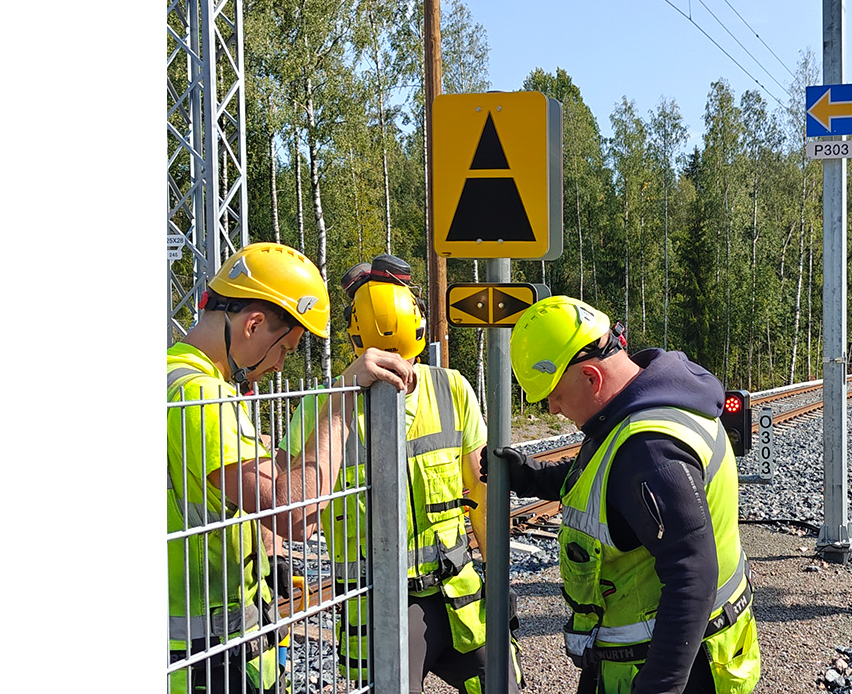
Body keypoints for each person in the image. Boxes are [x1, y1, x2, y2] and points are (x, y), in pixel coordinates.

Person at [167, 242, 414, 694]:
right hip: (203, 659)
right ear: (253, 324)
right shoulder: (200, 394)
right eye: (285, 348)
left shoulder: (176, 376)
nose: (280, 365)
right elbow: (295, 513)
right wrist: (340, 403)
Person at [486, 296, 760, 694]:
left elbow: (692, 577)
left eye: (556, 394)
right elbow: (608, 483)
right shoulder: (647, 405)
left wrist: (660, 685)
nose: (553, 407)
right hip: (651, 657)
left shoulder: (650, 451)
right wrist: (531, 477)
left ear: (592, 377)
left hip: (668, 667)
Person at [285, 254, 519, 694]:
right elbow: (291, 508)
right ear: (420, 324)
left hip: (460, 599)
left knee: (503, 682)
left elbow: (484, 494)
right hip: (379, 608)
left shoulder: (451, 389)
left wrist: (499, 579)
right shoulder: (325, 405)